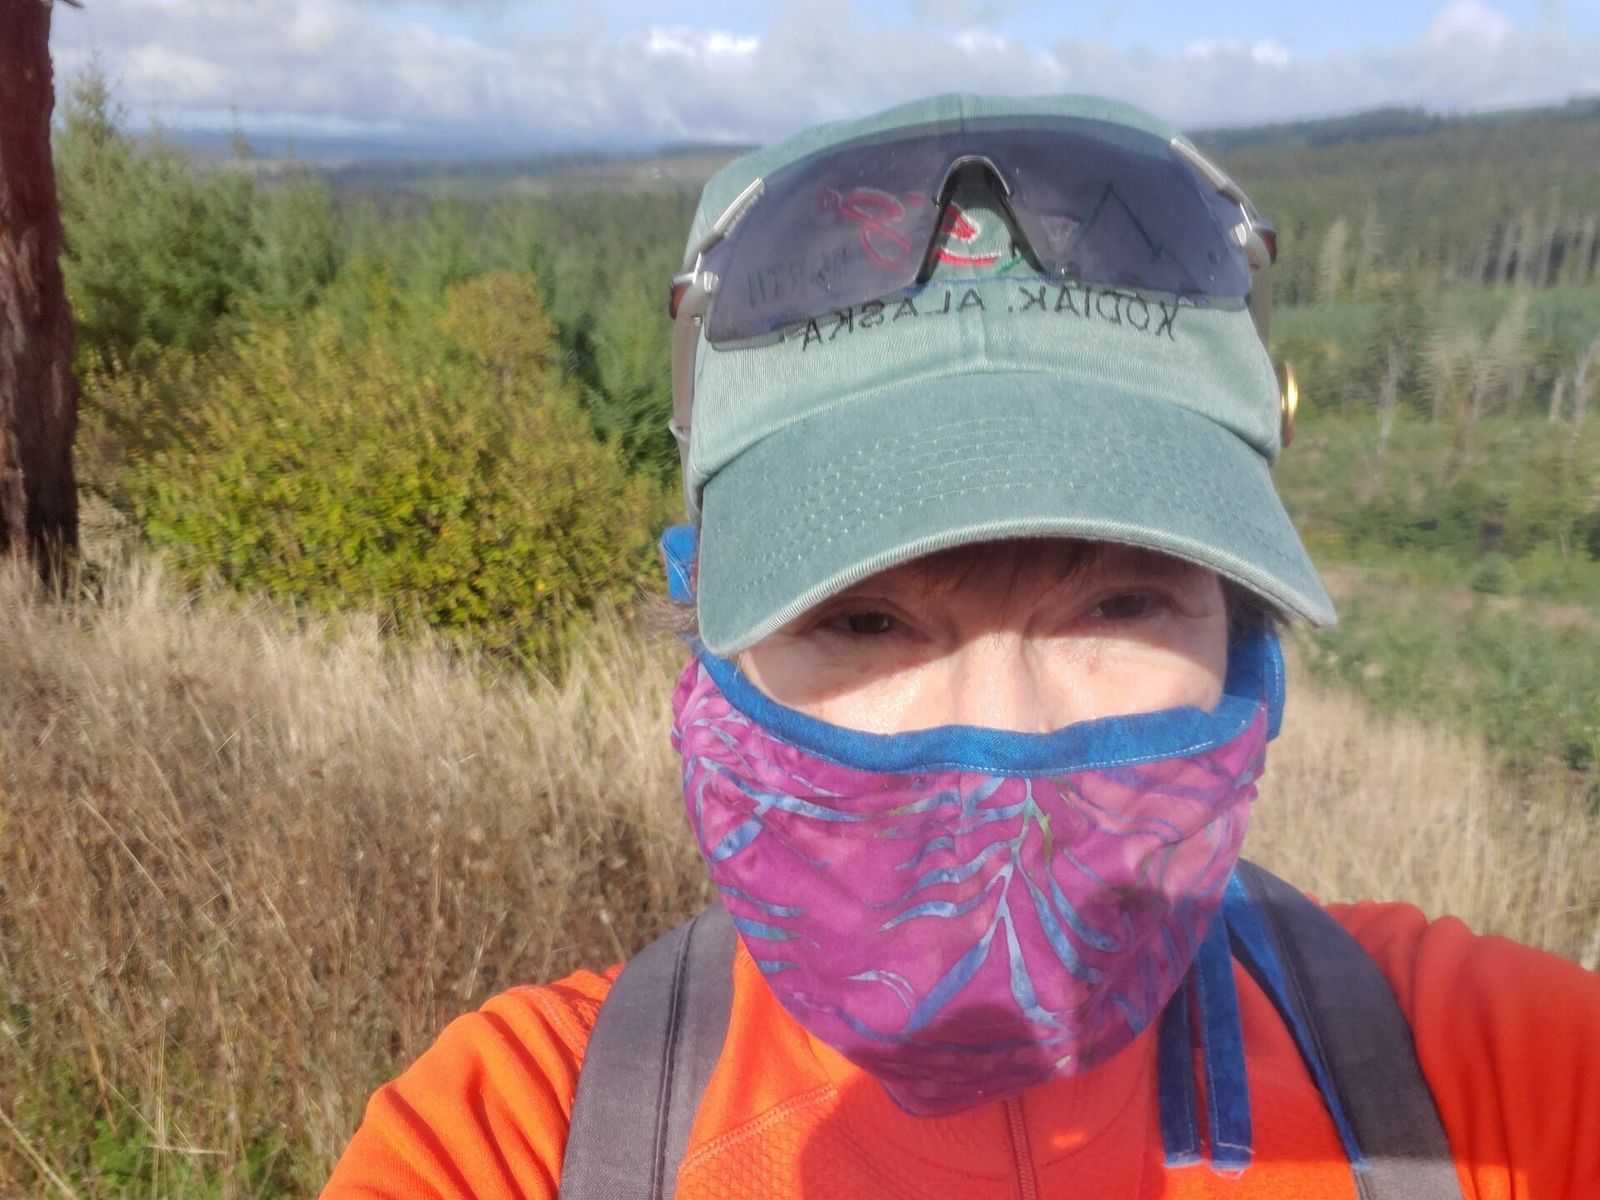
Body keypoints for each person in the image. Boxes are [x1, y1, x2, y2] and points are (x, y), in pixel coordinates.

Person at [320, 93, 1599, 1199]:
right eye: (863, 618)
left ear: (1241, 639)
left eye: (1120, 605)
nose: (1004, 732)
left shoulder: (1484, 1083)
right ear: (712, 650)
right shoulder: (523, 1136)